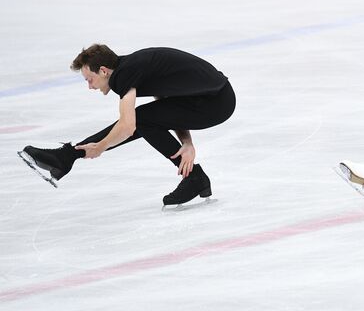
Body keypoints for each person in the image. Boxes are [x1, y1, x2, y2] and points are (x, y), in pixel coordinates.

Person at [19, 44, 236, 206]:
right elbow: (168, 102)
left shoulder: (124, 74)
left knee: (141, 119)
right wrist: (186, 142)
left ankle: (66, 156)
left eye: (89, 79)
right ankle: (66, 156)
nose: (90, 87)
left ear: (103, 70)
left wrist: (100, 147)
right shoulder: (132, 66)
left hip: (216, 103)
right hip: (212, 98)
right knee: (145, 118)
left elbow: (128, 126)